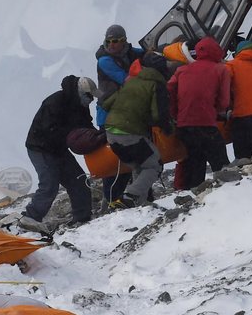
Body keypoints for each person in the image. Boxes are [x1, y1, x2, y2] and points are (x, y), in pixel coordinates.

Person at [19, 75, 97, 232]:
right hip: (40, 148)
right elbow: (48, 130)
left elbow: (86, 125)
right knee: (49, 184)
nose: (91, 100)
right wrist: (71, 136)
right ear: (81, 92)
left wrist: (96, 137)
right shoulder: (55, 101)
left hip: (59, 148)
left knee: (79, 180)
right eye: (89, 96)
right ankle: (30, 218)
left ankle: (82, 218)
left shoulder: (80, 105)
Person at [102, 52, 169, 209]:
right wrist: (168, 128)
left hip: (111, 133)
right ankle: (130, 196)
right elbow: (159, 115)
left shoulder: (131, 81)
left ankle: (138, 205)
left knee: (140, 165)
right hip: (129, 133)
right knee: (155, 165)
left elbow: (106, 104)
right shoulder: (156, 85)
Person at [168, 36, 231, 189]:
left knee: (194, 163)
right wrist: (217, 111)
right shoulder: (221, 69)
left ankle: (192, 199)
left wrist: (176, 114)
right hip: (206, 123)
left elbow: (169, 90)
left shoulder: (181, 70)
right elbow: (224, 102)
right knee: (221, 164)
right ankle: (229, 194)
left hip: (184, 126)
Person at [94, 24, 144, 204]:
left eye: (115, 41)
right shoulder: (104, 61)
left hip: (124, 116)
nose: (111, 44)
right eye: (108, 41)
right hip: (108, 116)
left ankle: (128, 198)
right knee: (115, 161)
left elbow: (144, 52)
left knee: (130, 157)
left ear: (123, 41)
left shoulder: (130, 52)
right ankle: (111, 200)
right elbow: (126, 79)